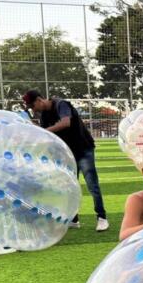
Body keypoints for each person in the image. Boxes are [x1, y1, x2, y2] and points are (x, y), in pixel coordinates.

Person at [22, 90, 109, 232]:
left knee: (92, 185)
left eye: (32, 106)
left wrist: (45, 131)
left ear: (39, 100)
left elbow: (65, 123)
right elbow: (47, 136)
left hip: (83, 149)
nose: (33, 110)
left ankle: (102, 217)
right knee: (70, 187)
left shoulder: (61, 104)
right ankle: (74, 219)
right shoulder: (44, 115)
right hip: (68, 154)